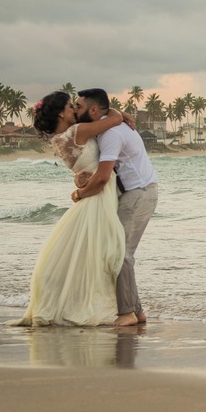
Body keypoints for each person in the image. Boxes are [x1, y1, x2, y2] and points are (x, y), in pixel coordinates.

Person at [13, 91, 129, 326]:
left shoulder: (58, 140)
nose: (74, 110)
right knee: (103, 253)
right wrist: (120, 112)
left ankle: (71, 302)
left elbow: (81, 170)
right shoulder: (77, 131)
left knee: (87, 254)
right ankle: (102, 306)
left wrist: (79, 184)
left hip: (93, 194)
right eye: (69, 106)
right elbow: (114, 118)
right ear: (60, 113)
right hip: (100, 194)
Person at [73, 88, 160, 327]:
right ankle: (136, 312)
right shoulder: (106, 126)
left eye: (78, 106)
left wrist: (79, 194)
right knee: (119, 252)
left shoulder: (111, 133)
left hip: (139, 194)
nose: (75, 110)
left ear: (92, 110)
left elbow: (102, 178)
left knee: (121, 254)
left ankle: (127, 313)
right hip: (133, 194)